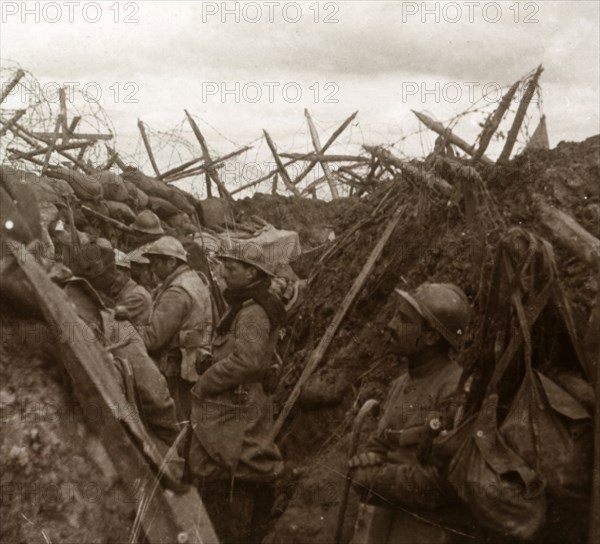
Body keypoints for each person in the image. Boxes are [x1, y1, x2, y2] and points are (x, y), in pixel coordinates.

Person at [349, 282, 474, 543]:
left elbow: (446, 481)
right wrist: (371, 456)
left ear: (431, 337)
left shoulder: (456, 391)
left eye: (404, 319)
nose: (391, 325)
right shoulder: (399, 384)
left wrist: (378, 479)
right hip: (386, 522)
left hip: (427, 530)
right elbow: (382, 442)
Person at [188, 243, 286, 544]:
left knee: (234, 469)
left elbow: (247, 360)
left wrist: (206, 381)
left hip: (239, 409)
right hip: (233, 405)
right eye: (224, 266)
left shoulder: (255, 310)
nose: (223, 273)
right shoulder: (244, 305)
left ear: (252, 272)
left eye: (231, 268)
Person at [138, 236, 213, 422]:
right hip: (193, 361)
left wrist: (128, 329)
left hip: (176, 367)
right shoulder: (193, 279)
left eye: (156, 263)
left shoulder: (176, 293)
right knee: (188, 417)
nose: (152, 268)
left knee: (174, 418)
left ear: (171, 261)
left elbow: (153, 339)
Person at [110, 249, 152, 326]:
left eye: (116, 275)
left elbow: (109, 320)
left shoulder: (136, 296)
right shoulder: (122, 291)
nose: (111, 279)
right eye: (108, 275)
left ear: (128, 275)